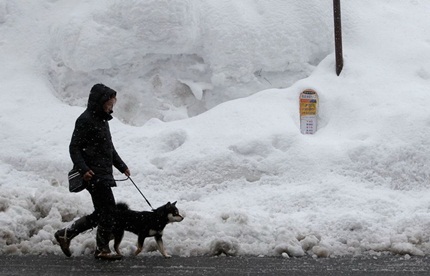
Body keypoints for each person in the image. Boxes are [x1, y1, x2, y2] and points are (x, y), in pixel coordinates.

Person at [55, 83, 130, 260]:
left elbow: (109, 149)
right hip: (93, 174)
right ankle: (102, 249)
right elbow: (74, 147)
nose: (111, 107)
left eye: (113, 104)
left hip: (103, 173)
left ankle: (66, 234)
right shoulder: (85, 120)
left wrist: (122, 166)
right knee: (109, 210)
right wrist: (84, 169)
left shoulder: (103, 120)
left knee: (102, 212)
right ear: (101, 101)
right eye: (110, 104)